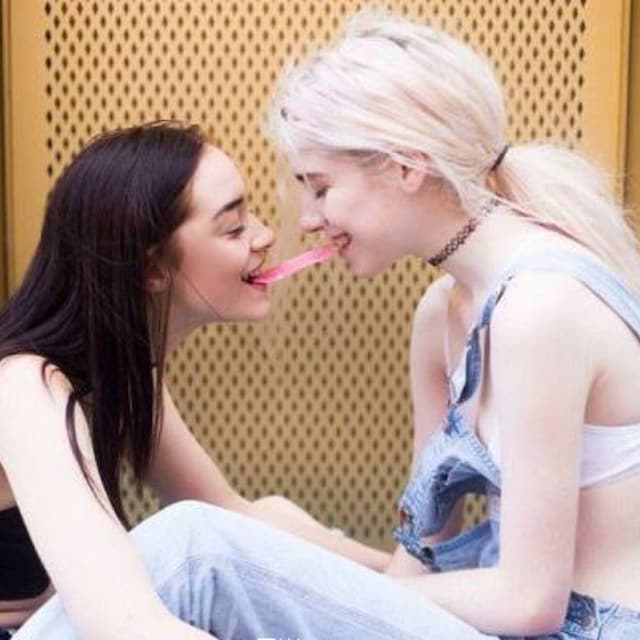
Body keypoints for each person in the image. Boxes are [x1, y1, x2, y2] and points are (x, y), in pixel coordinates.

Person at [262, 8, 640, 639]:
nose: (307, 218)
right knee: (256, 529)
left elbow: (529, 600)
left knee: (214, 556)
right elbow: (424, 547)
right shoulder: (441, 312)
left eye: (320, 188)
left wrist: (334, 591)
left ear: (407, 166)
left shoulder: (539, 310)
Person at [0, 121, 393, 640]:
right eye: (234, 228)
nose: (264, 236)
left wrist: (403, 579)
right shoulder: (24, 387)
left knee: (265, 515)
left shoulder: (126, 375)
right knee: (194, 541)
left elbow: (231, 510)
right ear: (152, 268)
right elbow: (122, 624)